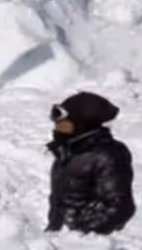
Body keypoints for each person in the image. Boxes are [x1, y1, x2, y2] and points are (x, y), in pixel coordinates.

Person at [46, 92, 135, 235]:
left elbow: (121, 207)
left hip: (93, 248)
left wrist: (84, 235)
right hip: (63, 245)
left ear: (80, 123)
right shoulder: (66, 153)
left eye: (63, 123)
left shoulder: (107, 155)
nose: (57, 128)